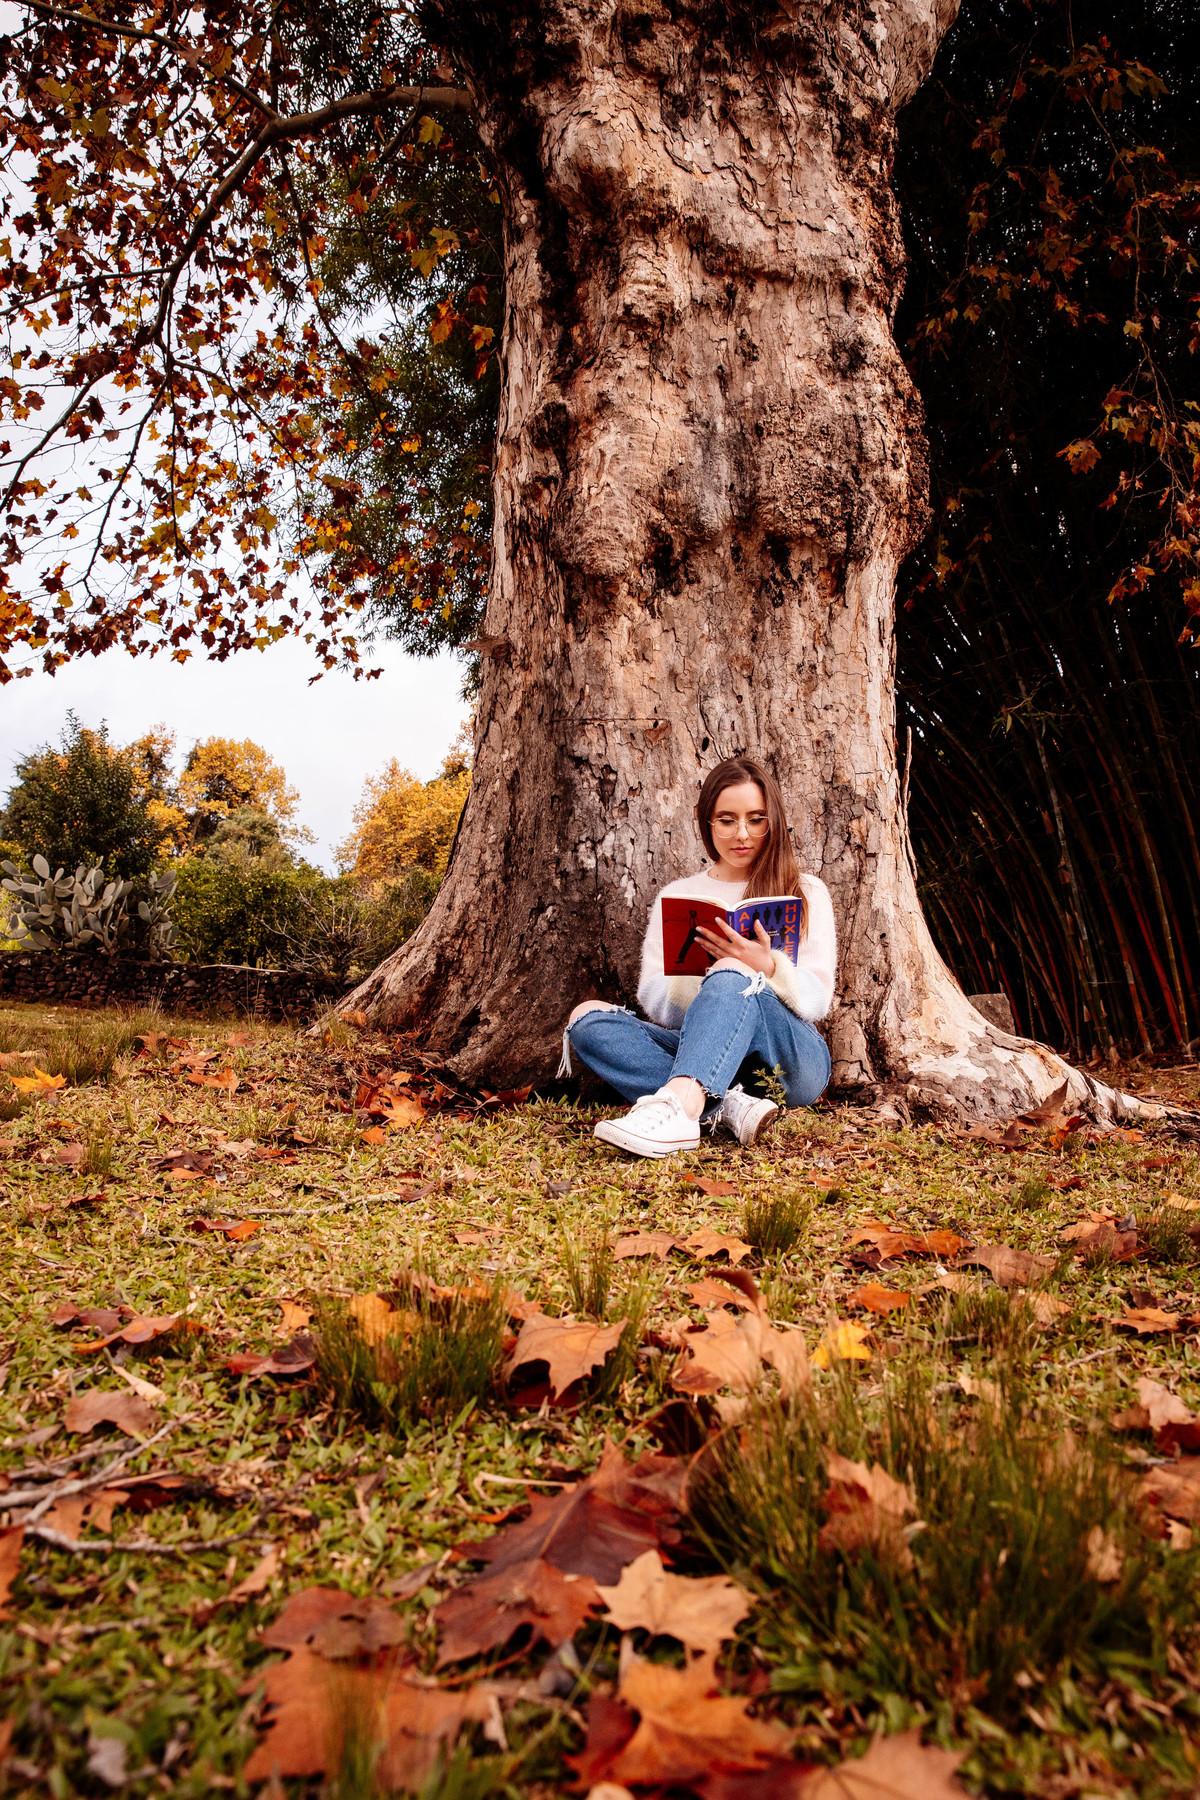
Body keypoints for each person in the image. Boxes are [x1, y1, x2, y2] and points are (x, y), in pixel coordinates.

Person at [559, 756, 836, 1157]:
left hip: (789, 1062)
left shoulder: (805, 889)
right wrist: (704, 977)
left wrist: (764, 967)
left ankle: (682, 1107)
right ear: (705, 820)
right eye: (727, 820)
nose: (743, 833)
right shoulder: (678, 896)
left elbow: (817, 1000)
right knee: (587, 1020)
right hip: (706, 1048)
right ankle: (728, 1107)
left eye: (756, 819)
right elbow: (656, 1002)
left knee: (732, 970)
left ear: (772, 820)